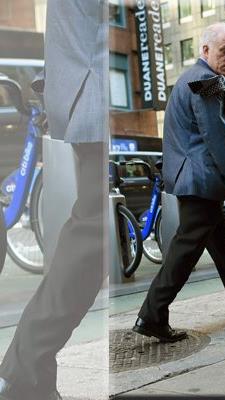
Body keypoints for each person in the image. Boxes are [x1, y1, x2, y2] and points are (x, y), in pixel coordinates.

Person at [132, 23, 225, 343]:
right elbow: (216, 135)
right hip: (200, 179)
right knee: (186, 248)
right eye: (224, 51)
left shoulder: (196, 79)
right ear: (205, 51)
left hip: (197, 179)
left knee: (223, 237)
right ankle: (152, 313)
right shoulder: (207, 82)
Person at [0, 1, 107, 399]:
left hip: (84, 90)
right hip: (92, 91)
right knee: (93, 239)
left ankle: (30, 374)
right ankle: (23, 371)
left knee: (91, 237)